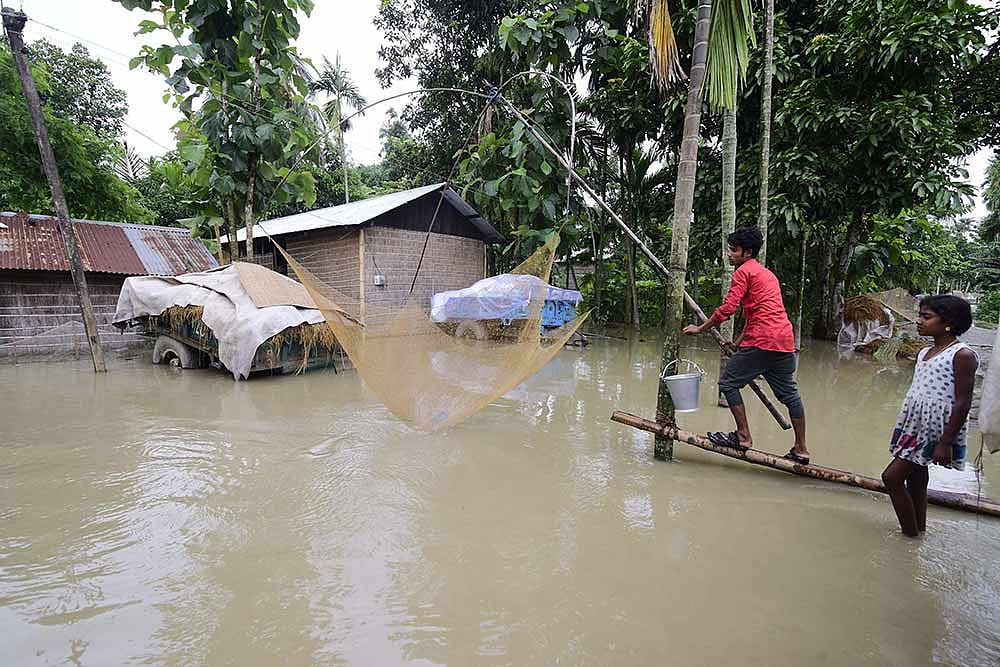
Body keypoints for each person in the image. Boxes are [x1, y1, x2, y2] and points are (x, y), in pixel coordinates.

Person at [682, 227, 808, 463]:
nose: (729, 254)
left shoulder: (743, 272)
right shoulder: (767, 275)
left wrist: (700, 328)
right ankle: (801, 449)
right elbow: (755, 316)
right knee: (790, 395)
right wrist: (738, 344)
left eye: (734, 250)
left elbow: (728, 309)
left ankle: (743, 437)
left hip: (763, 340)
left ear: (747, 252)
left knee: (728, 383)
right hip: (784, 341)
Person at [881, 295, 978, 537]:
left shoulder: (962, 355)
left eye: (926, 316)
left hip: (935, 429)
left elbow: (963, 402)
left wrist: (945, 443)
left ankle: (909, 537)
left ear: (949, 323)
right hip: (916, 423)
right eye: (920, 315)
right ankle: (919, 530)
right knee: (915, 477)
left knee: (891, 478)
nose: (919, 321)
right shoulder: (925, 351)